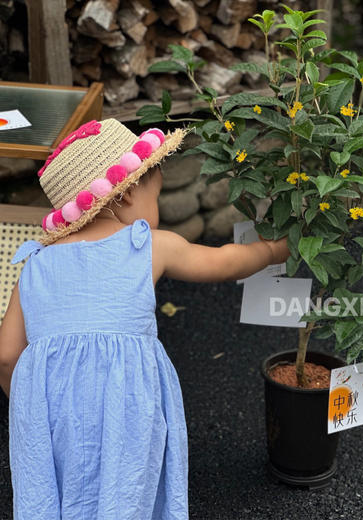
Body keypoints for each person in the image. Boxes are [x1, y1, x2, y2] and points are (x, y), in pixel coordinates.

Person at [0, 118, 289, 519]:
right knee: (125, 488)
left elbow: (7, 355)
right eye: (157, 192)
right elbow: (224, 262)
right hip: (126, 403)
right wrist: (272, 253)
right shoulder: (147, 244)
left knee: (64, 492)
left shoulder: (34, 263)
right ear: (129, 191)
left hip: (52, 407)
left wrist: (29, 403)